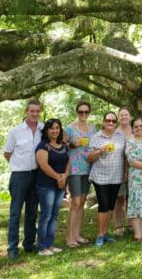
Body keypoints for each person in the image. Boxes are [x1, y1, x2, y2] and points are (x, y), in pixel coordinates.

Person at [3, 99, 43, 259]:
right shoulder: (15, 131)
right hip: (19, 175)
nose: (34, 114)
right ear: (26, 112)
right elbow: (7, 153)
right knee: (15, 212)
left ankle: (28, 244)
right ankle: (12, 248)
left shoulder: (42, 129)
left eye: (37, 111)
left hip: (37, 175)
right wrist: (18, 165)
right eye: (32, 111)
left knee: (32, 211)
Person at [87, 111, 126, 247]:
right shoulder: (96, 137)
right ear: (103, 122)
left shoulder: (120, 136)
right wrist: (99, 151)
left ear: (116, 123)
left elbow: (125, 156)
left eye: (113, 121)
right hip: (100, 177)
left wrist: (125, 173)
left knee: (110, 206)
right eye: (108, 120)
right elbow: (89, 158)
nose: (110, 123)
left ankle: (105, 233)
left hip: (116, 176)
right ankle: (100, 234)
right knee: (103, 205)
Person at [35, 118, 69, 255]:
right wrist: (58, 178)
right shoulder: (43, 146)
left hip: (60, 185)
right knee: (46, 215)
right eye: (51, 128)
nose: (55, 131)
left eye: (57, 128)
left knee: (54, 215)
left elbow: (68, 161)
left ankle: (50, 245)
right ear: (47, 130)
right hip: (46, 186)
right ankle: (42, 247)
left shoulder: (63, 145)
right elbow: (44, 166)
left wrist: (65, 176)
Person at [65, 100, 96, 247]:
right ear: (76, 112)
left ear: (89, 113)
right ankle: (69, 238)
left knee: (82, 203)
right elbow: (61, 145)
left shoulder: (93, 129)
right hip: (74, 169)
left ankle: (77, 235)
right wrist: (73, 144)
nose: (83, 114)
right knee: (75, 203)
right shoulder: (70, 129)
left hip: (88, 168)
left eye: (86, 112)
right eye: (80, 112)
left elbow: (96, 145)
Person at [112, 106, 133, 237]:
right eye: (121, 115)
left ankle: (130, 224)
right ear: (118, 118)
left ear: (130, 116)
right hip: (118, 169)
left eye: (126, 114)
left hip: (134, 169)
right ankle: (118, 226)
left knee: (131, 198)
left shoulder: (135, 130)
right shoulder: (114, 132)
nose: (124, 117)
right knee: (119, 198)